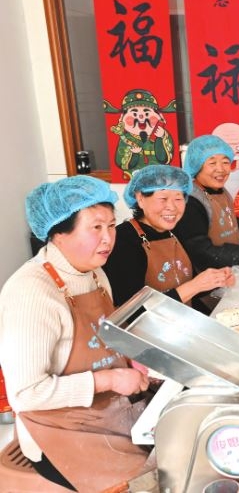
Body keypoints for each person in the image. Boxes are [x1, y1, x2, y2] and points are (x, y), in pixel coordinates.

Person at [0, 176, 152, 492]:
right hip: (60, 436)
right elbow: (25, 394)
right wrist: (109, 380)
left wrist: (131, 359)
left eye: (111, 226)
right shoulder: (31, 293)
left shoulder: (93, 272)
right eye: (95, 227)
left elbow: (106, 335)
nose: (108, 238)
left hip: (110, 413)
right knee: (150, 481)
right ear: (58, 233)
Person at [103, 164, 235, 308]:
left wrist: (215, 280)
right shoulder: (123, 240)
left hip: (182, 318)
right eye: (163, 198)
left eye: (178, 199)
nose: (172, 207)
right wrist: (195, 286)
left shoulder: (176, 231)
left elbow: (186, 286)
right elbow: (132, 309)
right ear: (140, 198)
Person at [173, 135, 239, 310]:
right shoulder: (191, 202)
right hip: (206, 290)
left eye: (225, 162)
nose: (220, 169)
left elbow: (235, 226)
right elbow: (200, 251)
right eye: (212, 163)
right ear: (196, 165)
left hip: (229, 278)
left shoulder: (220, 192)